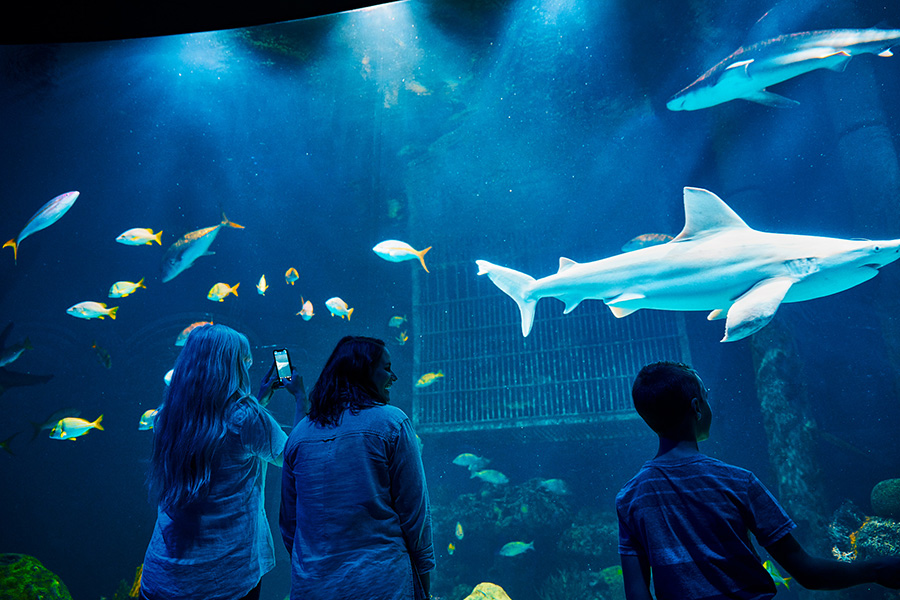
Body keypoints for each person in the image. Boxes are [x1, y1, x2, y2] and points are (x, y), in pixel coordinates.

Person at [617, 361, 900, 600]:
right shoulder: (737, 482)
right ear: (697, 407)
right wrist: (875, 569)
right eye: (706, 396)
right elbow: (808, 573)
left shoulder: (630, 498)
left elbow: (637, 594)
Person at [141, 324, 304, 600]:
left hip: (163, 579)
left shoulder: (167, 416)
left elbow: (218, 436)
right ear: (229, 366)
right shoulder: (247, 417)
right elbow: (296, 458)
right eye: (244, 361)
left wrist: (258, 401)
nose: (247, 369)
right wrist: (301, 398)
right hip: (224, 579)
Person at [280, 335, 435, 600]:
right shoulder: (392, 423)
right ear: (363, 370)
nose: (393, 377)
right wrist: (423, 579)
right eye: (386, 368)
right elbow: (415, 516)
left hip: (313, 588)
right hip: (382, 585)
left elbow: (289, 524)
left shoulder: (298, 435)